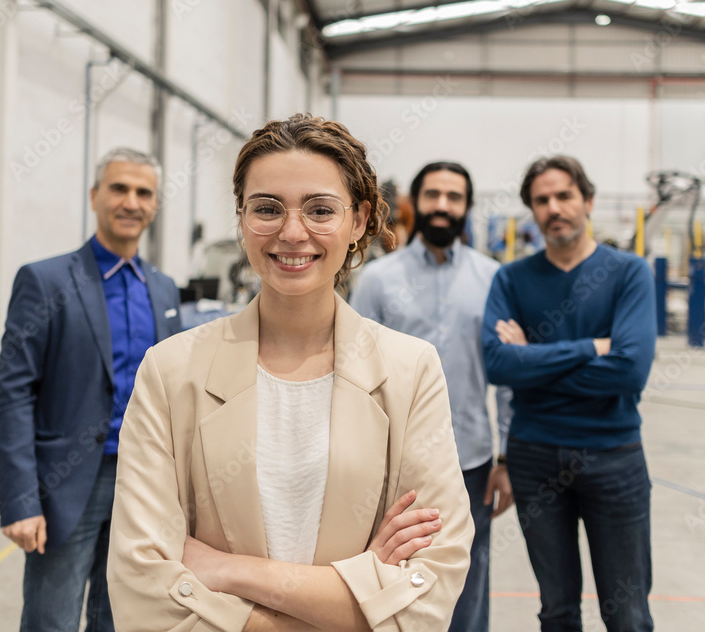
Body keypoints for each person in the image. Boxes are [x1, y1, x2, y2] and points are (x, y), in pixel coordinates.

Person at [107, 114, 473, 632]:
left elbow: (429, 584)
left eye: (321, 209)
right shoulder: (170, 372)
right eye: (267, 209)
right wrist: (356, 600)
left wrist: (229, 571)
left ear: (360, 220)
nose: (293, 232)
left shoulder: (410, 371)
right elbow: (143, 587)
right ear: (241, 217)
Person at [0, 147, 183, 631]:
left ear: (155, 206)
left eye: (144, 192)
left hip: (142, 482)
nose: (131, 201)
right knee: (50, 620)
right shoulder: (46, 281)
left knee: (119, 616)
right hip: (68, 482)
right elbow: (13, 393)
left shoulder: (162, 290)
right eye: (119, 188)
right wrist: (21, 501)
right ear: (95, 195)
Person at [481, 155, 657, 632]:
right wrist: (590, 348)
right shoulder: (511, 279)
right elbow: (497, 363)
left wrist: (532, 365)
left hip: (613, 456)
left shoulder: (629, 273)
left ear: (588, 201)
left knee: (628, 613)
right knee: (556, 610)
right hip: (534, 456)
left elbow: (628, 372)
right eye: (541, 200)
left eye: (564, 196)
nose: (553, 208)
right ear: (532, 211)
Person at [351, 161, 514, 631]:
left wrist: (506, 456)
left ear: (466, 207)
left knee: (468, 583)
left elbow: (504, 377)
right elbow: (355, 371)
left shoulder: (492, 279)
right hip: (391, 466)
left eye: (454, 197)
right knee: (387, 587)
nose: (443, 205)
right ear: (416, 203)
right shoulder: (379, 279)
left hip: (472, 462)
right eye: (433, 195)